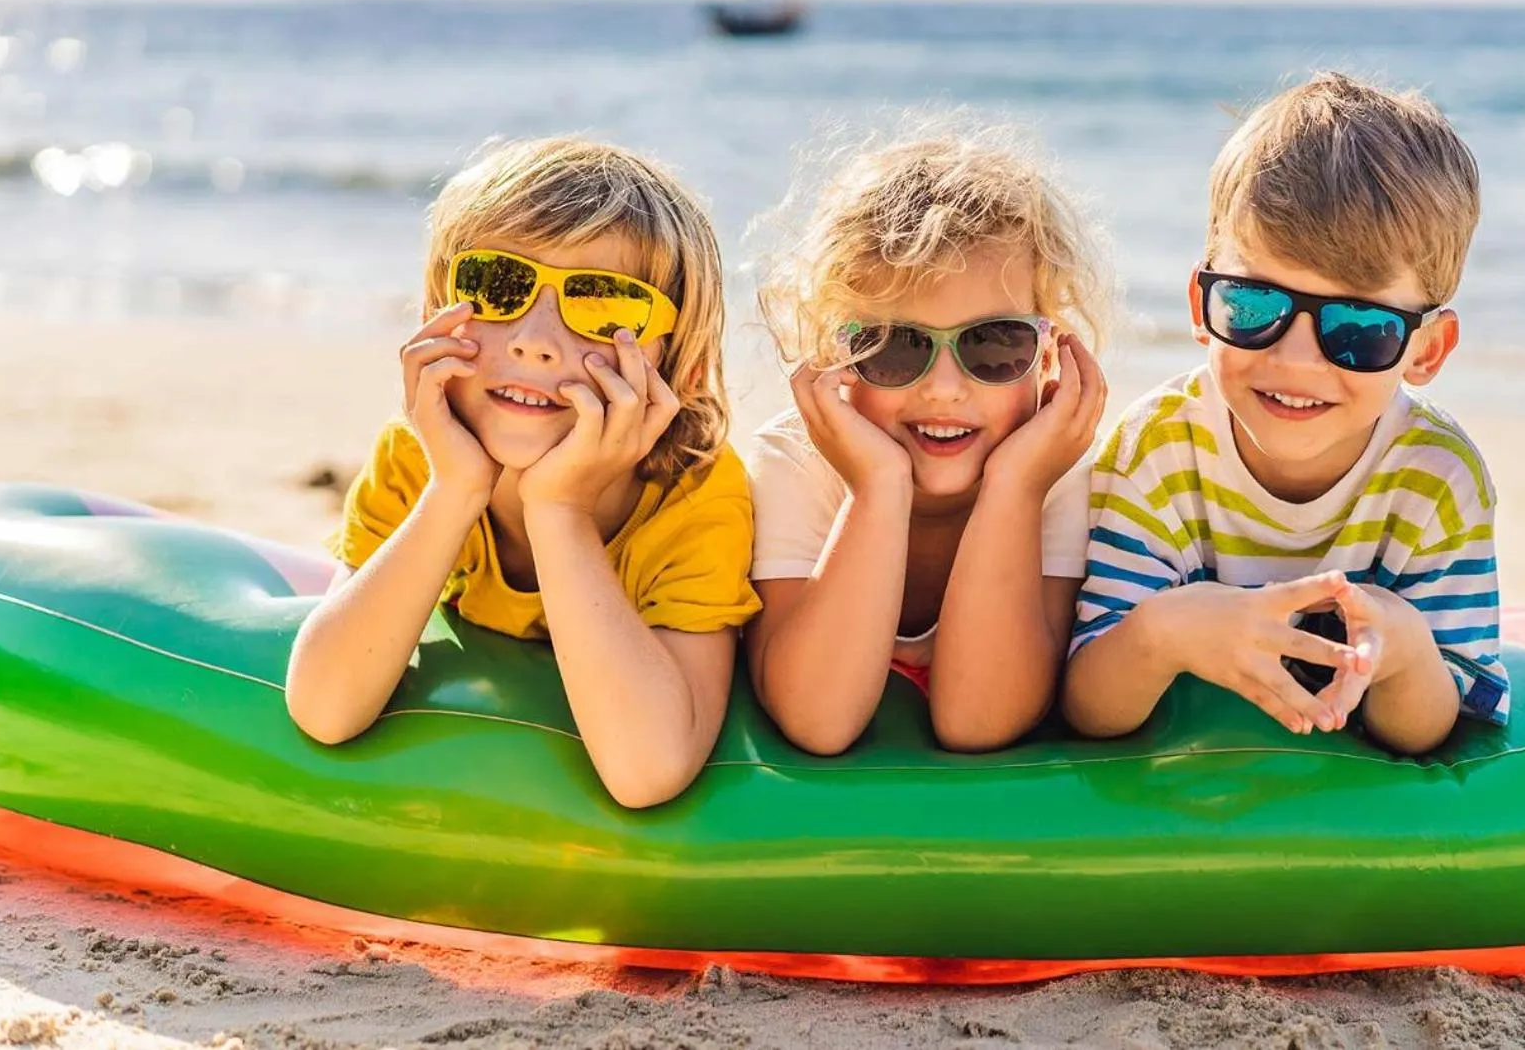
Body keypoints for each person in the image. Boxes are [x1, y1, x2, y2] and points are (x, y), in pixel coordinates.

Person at [286, 137, 759, 807]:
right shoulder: (420, 459)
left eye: (604, 304)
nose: (535, 338)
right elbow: (326, 708)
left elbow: (646, 770)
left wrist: (558, 510)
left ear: (674, 360)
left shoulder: (695, 495)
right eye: (497, 284)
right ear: (434, 312)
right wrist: (455, 491)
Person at [1065, 74, 1508, 756]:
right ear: (1200, 307)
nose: (1296, 359)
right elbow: (1090, 706)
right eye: (1254, 305)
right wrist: (1167, 631)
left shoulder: (1437, 478)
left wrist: (1402, 649)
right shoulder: (1157, 449)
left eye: (1359, 326)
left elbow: (1432, 729)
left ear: (1427, 351)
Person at [747, 131, 1111, 754]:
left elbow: (978, 721)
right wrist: (878, 487)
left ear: (1048, 353)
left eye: (994, 345)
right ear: (836, 352)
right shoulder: (792, 468)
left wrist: (1016, 489)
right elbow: (819, 720)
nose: (944, 390)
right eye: (895, 346)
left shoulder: (1052, 476)